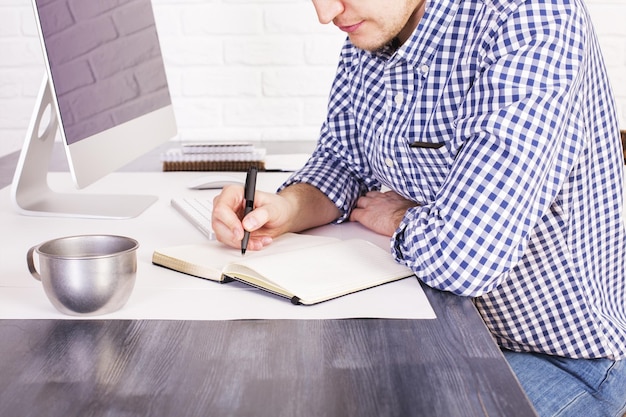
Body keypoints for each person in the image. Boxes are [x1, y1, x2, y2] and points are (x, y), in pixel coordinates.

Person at [211, 0, 626, 415]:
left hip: (567, 357)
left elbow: (468, 256)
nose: (326, 13)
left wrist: (399, 218)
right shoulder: (372, 25)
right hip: (448, 327)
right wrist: (287, 207)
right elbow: (342, 160)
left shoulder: (534, 18)